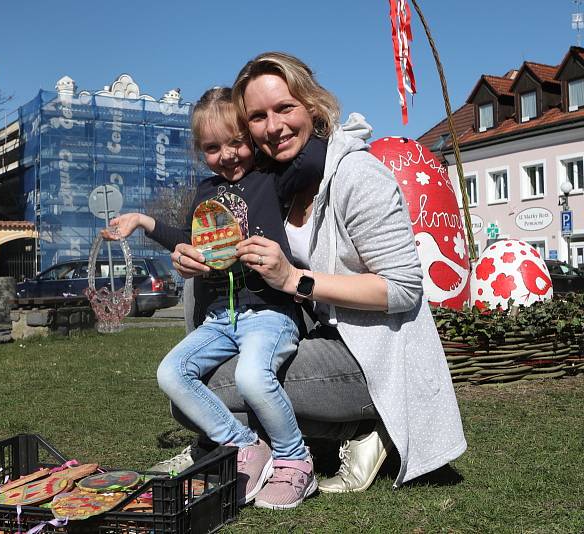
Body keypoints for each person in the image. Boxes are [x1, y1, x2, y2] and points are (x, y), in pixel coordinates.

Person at [167, 52, 467, 492]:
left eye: (285, 108)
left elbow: (404, 290)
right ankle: (255, 445)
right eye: (257, 116)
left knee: (221, 387)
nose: (273, 126)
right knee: (193, 387)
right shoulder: (273, 181)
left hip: (372, 350)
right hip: (317, 334)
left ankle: (369, 425)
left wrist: (294, 279)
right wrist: (194, 258)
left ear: (312, 104)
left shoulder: (357, 176)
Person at [103, 87, 327, 509]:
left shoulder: (271, 178)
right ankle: (245, 446)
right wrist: (144, 222)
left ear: (253, 137)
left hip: (270, 313)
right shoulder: (205, 192)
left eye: (236, 142)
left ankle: (295, 461)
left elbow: (314, 157)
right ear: (199, 151)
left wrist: (294, 120)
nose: (227, 155)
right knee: (171, 372)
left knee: (250, 377)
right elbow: (189, 241)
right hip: (220, 318)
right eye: (212, 147)